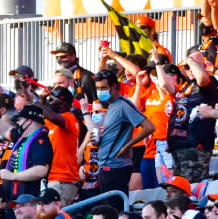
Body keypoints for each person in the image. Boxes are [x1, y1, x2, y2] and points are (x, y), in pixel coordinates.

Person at [94, 70, 155, 203]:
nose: (100, 91)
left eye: (103, 88)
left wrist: (127, 146)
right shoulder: (111, 106)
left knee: (115, 209)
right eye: (98, 88)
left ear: (114, 86)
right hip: (105, 166)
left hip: (117, 168)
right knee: (108, 210)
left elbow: (149, 127)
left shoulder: (123, 105)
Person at [162, 51, 218, 182]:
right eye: (186, 67)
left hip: (195, 146)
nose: (190, 69)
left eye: (193, 66)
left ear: (203, 66)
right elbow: (165, 85)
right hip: (178, 146)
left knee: (193, 188)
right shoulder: (185, 86)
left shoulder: (209, 83)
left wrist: (191, 61)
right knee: (179, 188)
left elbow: (202, 78)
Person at [0, 105, 53, 201]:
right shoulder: (22, 138)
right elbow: (4, 129)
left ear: (29, 121)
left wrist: (12, 176)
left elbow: (41, 170)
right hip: (15, 201)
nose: (17, 123)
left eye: (19, 120)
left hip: (29, 202)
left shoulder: (41, 141)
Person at [36, 86, 81, 205]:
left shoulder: (69, 117)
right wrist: (41, 100)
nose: (48, 102)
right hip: (54, 177)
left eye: (52, 100)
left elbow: (52, 116)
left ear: (63, 104)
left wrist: (37, 103)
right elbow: (43, 118)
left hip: (64, 178)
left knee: (56, 215)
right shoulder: (54, 123)